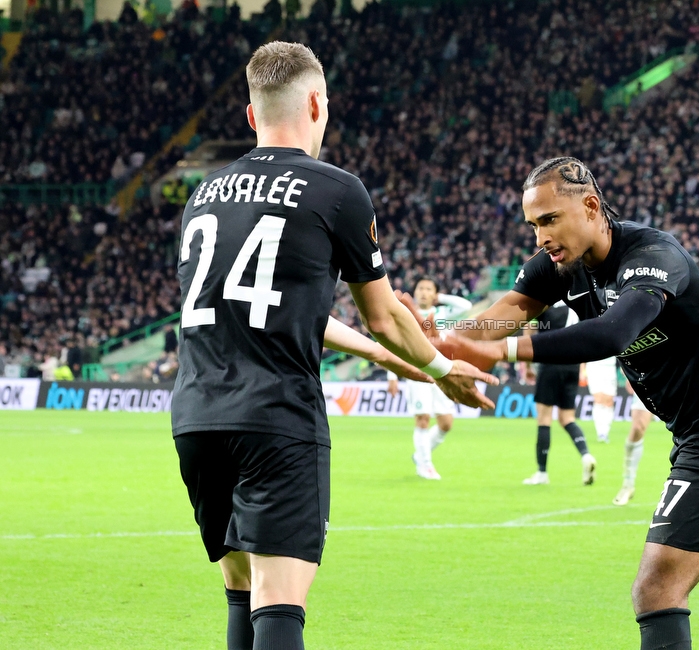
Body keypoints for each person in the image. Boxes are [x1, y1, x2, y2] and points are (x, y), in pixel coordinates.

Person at [416, 157, 699, 650]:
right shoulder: (561, 265)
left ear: (591, 207)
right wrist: (445, 341)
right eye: (533, 225)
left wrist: (500, 351)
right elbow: (506, 312)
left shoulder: (654, 256)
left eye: (549, 220)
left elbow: (613, 332)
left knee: (657, 589)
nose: (541, 237)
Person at [171, 42, 495, 650]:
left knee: (241, 587)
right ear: (318, 105)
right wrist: (441, 367)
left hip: (197, 417)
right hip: (276, 416)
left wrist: (378, 356)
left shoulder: (203, 194)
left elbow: (271, 307)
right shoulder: (336, 190)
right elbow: (386, 316)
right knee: (278, 599)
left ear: (251, 115)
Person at [387, 277, 472, 479]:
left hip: (442, 371)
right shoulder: (406, 315)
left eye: (428, 289)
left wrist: (440, 298)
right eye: (420, 288)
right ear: (415, 292)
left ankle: (420, 456)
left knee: (446, 423)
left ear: (435, 293)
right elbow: (395, 343)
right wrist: (392, 375)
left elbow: (466, 306)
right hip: (418, 371)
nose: (424, 292)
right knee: (423, 418)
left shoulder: (443, 314)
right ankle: (425, 465)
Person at [522, 301, 597, 486]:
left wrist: (527, 364)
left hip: (550, 361)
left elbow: (529, 329)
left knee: (544, 418)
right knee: (567, 418)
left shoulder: (546, 302)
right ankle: (586, 455)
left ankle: (542, 473)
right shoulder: (577, 302)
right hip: (573, 364)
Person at [613, 379, 653, 506]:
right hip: (650, 377)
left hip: (686, 376)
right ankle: (628, 485)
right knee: (637, 428)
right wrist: (628, 373)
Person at [583, 355, 618, 442]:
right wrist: (582, 369)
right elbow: (583, 349)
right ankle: (601, 432)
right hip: (594, 366)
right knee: (598, 399)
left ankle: (605, 431)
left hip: (610, 367)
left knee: (609, 401)